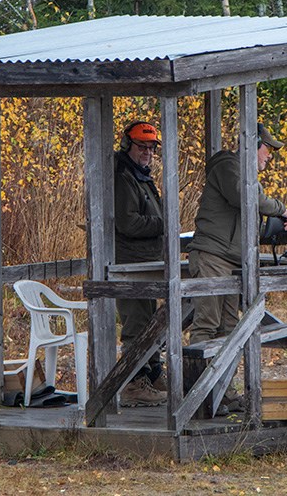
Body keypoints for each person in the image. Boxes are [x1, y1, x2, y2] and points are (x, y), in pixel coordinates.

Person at [187, 122, 287, 412]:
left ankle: (222, 395)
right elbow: (246, 199)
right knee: (206, 326)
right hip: (212, 257)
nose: (270, 157)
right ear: (252, 146)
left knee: (229, 330)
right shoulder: (228, 166)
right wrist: (282, 208)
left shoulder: (246, 176)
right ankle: (199, 401)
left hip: (230, 263)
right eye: (268, 149)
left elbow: (253, 220)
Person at [113, 121, 168, 407]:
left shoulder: (139, 175)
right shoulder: (123, 176)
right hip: (130, 263)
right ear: (128, 145)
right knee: (137, 324)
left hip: (146, 261)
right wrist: (164, 224)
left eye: (151, 147)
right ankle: (133, 384)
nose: (147, 152)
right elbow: (128, 222)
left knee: (150, 322)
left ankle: (152, 373)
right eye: (142, 146)